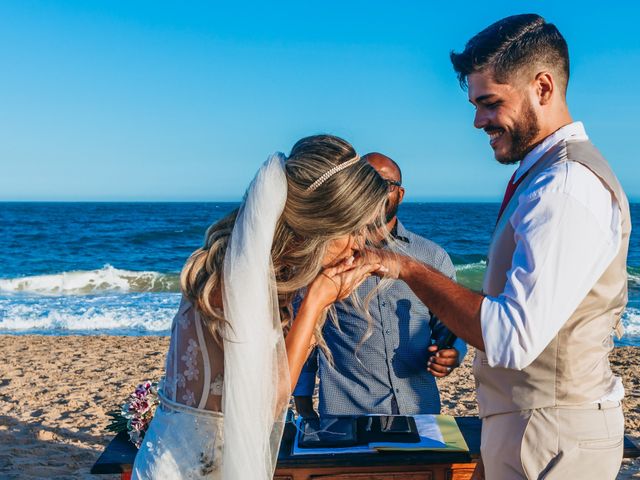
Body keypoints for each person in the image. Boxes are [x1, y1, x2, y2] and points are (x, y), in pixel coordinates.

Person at [369, 14, 630, 479]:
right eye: (474, 104)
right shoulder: (542, 177)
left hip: (553, 437)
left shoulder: (565, 186)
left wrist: (403, 267)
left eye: (489, 103)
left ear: (542, 88)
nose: (477, 121)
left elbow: (510, 338)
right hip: (528, 427)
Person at [131, 135, 391, 480]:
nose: (359, 243)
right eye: (353, 230)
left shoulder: (266, 274)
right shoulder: (233, 278)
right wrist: (316, 301)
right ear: (318, 227)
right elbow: (264, 406)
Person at [293, 152, 466, 418]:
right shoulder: (327, 256)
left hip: (420, 411)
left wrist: (452, 353)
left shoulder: (432, 256)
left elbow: (451, 326)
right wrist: (303, 402)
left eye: (384, 184)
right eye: (365, 181)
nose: (374, 191)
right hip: (347, 413)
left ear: (400, 194)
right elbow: (305, 331)